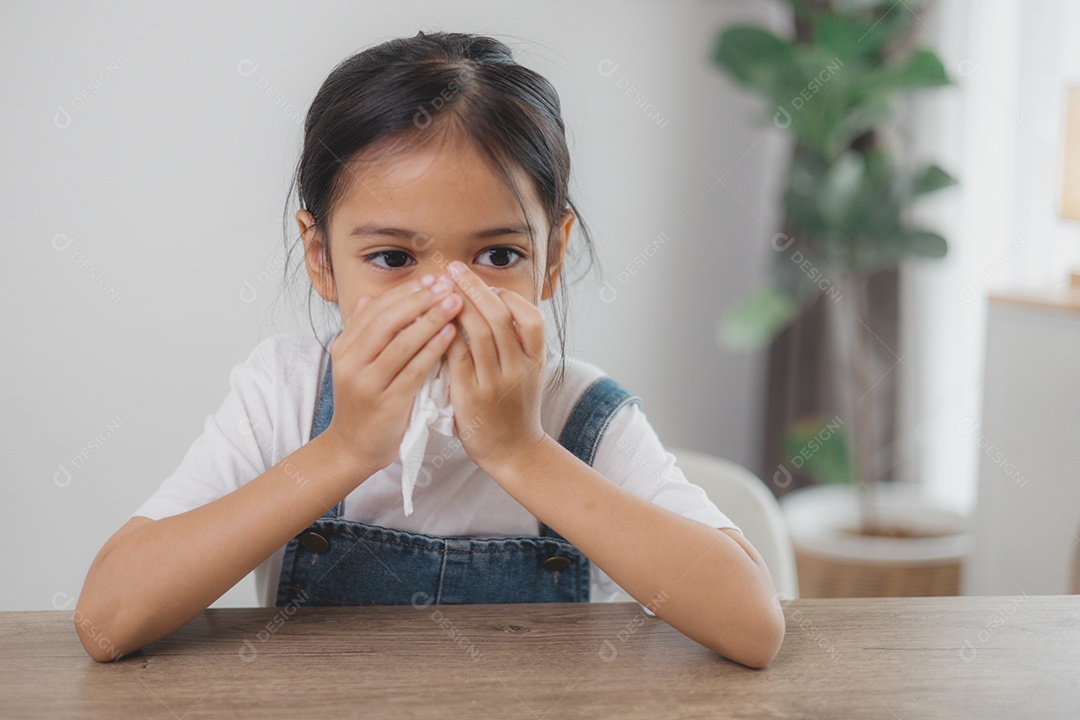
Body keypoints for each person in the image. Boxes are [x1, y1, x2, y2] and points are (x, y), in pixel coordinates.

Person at [74, 31, 785, 668]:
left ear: (554, 255)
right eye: (391, 259)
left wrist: (520, 451)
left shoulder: (581, 414)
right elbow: (108, 622)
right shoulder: (282, 395)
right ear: (321, 259)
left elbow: (753, 627)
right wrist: (344, 450)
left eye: (498, 254)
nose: (447, 298)